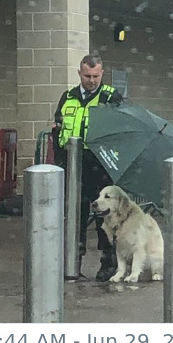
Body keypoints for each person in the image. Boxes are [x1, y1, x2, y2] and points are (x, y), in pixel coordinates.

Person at [53, 53, 124, 280]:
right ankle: (73, 264)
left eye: (95, 76)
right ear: (79, 74)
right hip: (74, 165)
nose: (91, 81)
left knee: (106, 217)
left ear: (102, 74)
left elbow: (120, 131)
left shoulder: (111, 97)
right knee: (75, 215)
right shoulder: (68, 97)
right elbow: (58, 130)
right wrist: (60, 162)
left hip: (101, 166)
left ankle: (108, 264)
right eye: (87, 76)